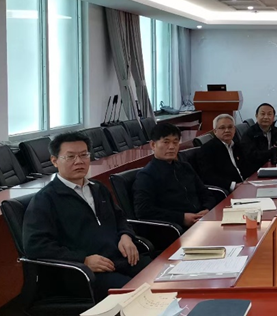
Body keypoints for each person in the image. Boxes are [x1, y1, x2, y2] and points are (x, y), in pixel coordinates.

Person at [23, 132, 150, 300]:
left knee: (160, 275)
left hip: (118, 260)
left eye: (84, 155)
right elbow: (35, 245)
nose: (79, 161)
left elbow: (120, 218)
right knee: (137, 295)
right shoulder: (45, 199)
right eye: (70, 157)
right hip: (83, 273)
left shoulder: (98, 188)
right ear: (54, 161)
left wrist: (126, 236)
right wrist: (83, 259)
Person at [134, 123, 217, 229]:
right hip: (176, 228)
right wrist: (181, 218)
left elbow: (205, 193)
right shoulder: (146, 175)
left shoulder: (185, 167)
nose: (172, 147)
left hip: (202, 221)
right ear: (153, 145)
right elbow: (143, 210)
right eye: (166, 142)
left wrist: (207, 209)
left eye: (175, 142)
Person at [239, 103, 277, 178]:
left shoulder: (275, 130)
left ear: (273, 117)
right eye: (262, 114)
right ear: (256, 116)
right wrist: (274, 152)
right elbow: (251, 155)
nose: (266, 117)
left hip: (273, 166)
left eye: (269, 114)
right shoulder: (250, 134)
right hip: (255, 172)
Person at [197, 114, 244, 192]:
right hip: (228, 190)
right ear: (215, 131)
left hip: (244, 185)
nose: (227, 130)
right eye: (222, 128)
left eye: (230, 127)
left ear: (234, 130)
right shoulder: (207, 149)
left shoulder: (236, 146)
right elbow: (208, 176)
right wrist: (233, 185)